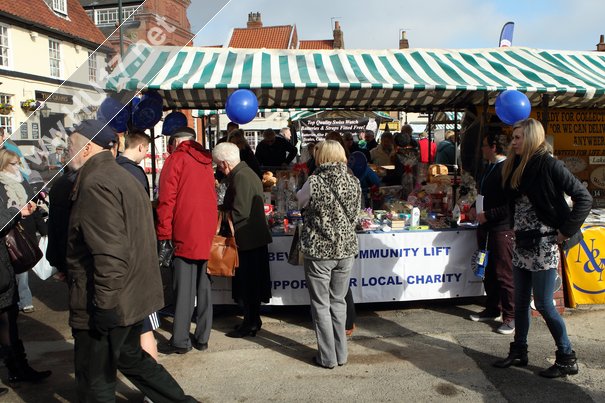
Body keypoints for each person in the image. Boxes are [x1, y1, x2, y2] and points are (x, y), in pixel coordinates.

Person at [64, 120, 194, 401]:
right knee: (132, 359)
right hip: (128, 295)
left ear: (87, 149)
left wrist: (105, 304)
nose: (66, 153)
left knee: (95, 378)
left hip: (109, 300)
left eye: (70, 147)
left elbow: (109, 251)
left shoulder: (96, 182)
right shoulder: (121, 175)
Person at [494, 118, 592, 378]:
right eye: (512, 137)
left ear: (531, 137)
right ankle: (519, 350)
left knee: (545, 304)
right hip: (523, 242)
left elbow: (584, 197)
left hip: (545, 243)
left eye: (517, 137)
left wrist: (565, 232)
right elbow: (517, 206)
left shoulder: (549, 164)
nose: (512, 142)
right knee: (521, 301)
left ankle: (566, 357)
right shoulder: (516, 166)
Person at [297, 140, 361, 369]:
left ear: (321, 156)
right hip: (345, 250)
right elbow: (356, 215)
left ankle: (327, 357)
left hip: (320, 251)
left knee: (321, 305)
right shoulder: (354, 181)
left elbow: (300, 202)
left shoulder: (314, 181)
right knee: (338, 301)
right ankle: (341, 354)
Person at [156, 127, 217, 354]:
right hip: (205, 229)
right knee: (203, 287)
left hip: (184, 230)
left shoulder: (177, 159)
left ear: (176, 142)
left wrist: (164, 234)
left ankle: (181, 339)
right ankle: (202, 337)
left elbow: (166, 199)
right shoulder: (205, 161)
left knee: (183, 290)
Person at [0, 150, 51, 389]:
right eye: (14, 163)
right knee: (6, 321)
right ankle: (17, 369)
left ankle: (19, 368)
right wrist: (16, 213)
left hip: (5, 265)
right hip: (2, 268)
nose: (17, 168)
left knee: (8, 319)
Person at [212, 142, 272, 338]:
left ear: (224, 163)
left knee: (249, 286)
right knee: (251, 285)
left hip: (248, 240)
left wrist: (221, 214)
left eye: (218, 165)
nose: (219, 169)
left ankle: (251, 323)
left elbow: (240, 211)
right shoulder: (244, 173)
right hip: (252, 238)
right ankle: (251, 320)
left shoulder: (241, 177)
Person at [115, 131, 161, 368]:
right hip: (137, 253)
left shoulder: (112, 169)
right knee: (145, 328)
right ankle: (153, 382)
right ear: (142, 148)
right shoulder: (134, 173)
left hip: (118, 255)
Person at [469, 129, 515, 335]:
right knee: (488, 270)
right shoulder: (489, 168)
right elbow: (483, 193)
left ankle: (511, 316)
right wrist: (473, 206)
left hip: (501, 228)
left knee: (504, 273)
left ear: (494, 147)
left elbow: (510, 204)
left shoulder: (507, 169)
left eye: (485, 145)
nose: (482, 149)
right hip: (486, 227)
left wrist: (488, 214)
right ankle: (492, 308)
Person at [0, 149, 47, 314]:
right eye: (13, 164)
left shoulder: (23, 181)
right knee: (13, 270)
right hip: (8, 232)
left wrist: (43, 229)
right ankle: (19, 301)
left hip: (25, 230)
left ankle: (23, 300)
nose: (17, 168)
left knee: (22, 269)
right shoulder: (1, 183)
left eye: (18, 163)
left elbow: (32, 204)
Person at [392, 129, 419, 199]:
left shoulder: (396, 155)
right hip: (415, 183)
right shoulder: (415, 153)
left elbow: (397, 173)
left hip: (400, 185)